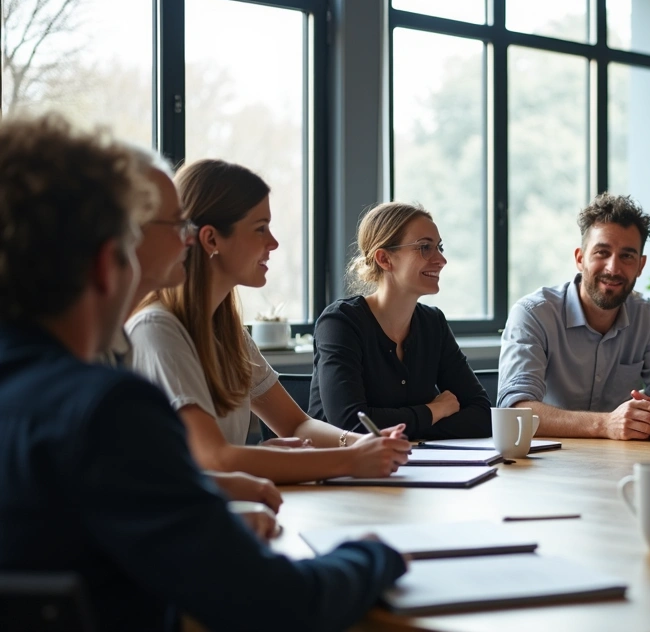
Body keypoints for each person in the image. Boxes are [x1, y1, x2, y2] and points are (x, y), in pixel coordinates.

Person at [0, 114, 406, 631]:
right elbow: (277, 603)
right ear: (108, 264)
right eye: (169, 230)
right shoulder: (107, 409)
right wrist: (373, 554)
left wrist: (210, 488)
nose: (182, 243)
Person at [126, 159, 411, 484]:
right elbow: (215, 458)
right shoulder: (158, 330)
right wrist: (351, 460)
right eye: (260, 228)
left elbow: (296, 425)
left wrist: (364, 444)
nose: (273, 242)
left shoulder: (227, 331)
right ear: (211, 240)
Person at [105, 146, 281, 539]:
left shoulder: (224, 327)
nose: (186, 239)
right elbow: (208, 461)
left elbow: (148, 482)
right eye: (175, 224)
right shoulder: (152, 330)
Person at [497, 193, 650, 440]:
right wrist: (606, 425)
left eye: (627, 256)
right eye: (602, 252)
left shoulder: (647, 316)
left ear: (641, 265)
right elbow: (514, 411)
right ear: (580, 258)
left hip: (622, 462)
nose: (613, 268)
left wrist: (641, 418)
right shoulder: (533, 315)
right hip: (548, 464)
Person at [310, 202, 491, 438]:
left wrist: (409, 424)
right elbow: (351, 425)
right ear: (384, 259)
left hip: (410, 464)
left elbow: (482, 415)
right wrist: (434, 410)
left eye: (440, 247)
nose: (441, 260)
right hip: (339, 468)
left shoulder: (433, 323)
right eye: (425, 247)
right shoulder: (340, 323)